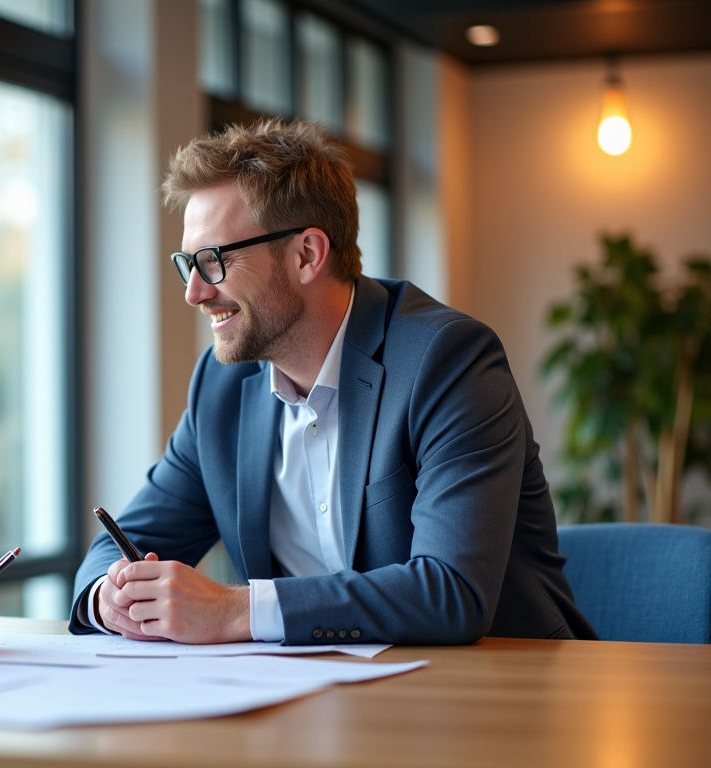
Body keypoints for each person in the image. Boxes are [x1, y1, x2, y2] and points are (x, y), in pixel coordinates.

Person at [70, 119, 595, 646]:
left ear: (307, 255)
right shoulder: (221, 386)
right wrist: (107, 598)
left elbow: (452, 591)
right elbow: (124, 543)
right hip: (317, 688)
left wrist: (233, 611)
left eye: (214, 261)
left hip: (502, 684)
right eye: (188, 263)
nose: (194, 293)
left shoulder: (447, 361)